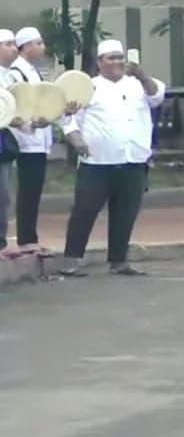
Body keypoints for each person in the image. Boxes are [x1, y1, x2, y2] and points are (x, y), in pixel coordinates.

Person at [57, 40, 165, 277]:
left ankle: (119, 261)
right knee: (84, 211)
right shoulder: (89, 87)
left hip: (132, 161)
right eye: (110, 58)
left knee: (125, 213)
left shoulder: (139, 84)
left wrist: (142, 75)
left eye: (119, 57)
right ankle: (72, 259)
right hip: (96, 163)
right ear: (99, 62)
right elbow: (68, 119)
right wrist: (76, 140)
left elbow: (156, 97)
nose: (116, 62)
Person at [8, 27, 57, 257]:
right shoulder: (16, 72)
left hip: (38, 140)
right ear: (26, 46)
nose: (42, 47)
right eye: (38, 43)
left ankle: (30, 238)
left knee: (33, 191)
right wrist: (31, 124)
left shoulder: (33, 71)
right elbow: (17, 106)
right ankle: (26, 240)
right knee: (28, 191)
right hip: (26, 140)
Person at [0, 28, 17, 260]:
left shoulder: (11, 77)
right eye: (8, 44)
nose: (14, 49)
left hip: (3, 142)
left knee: (3, 194)